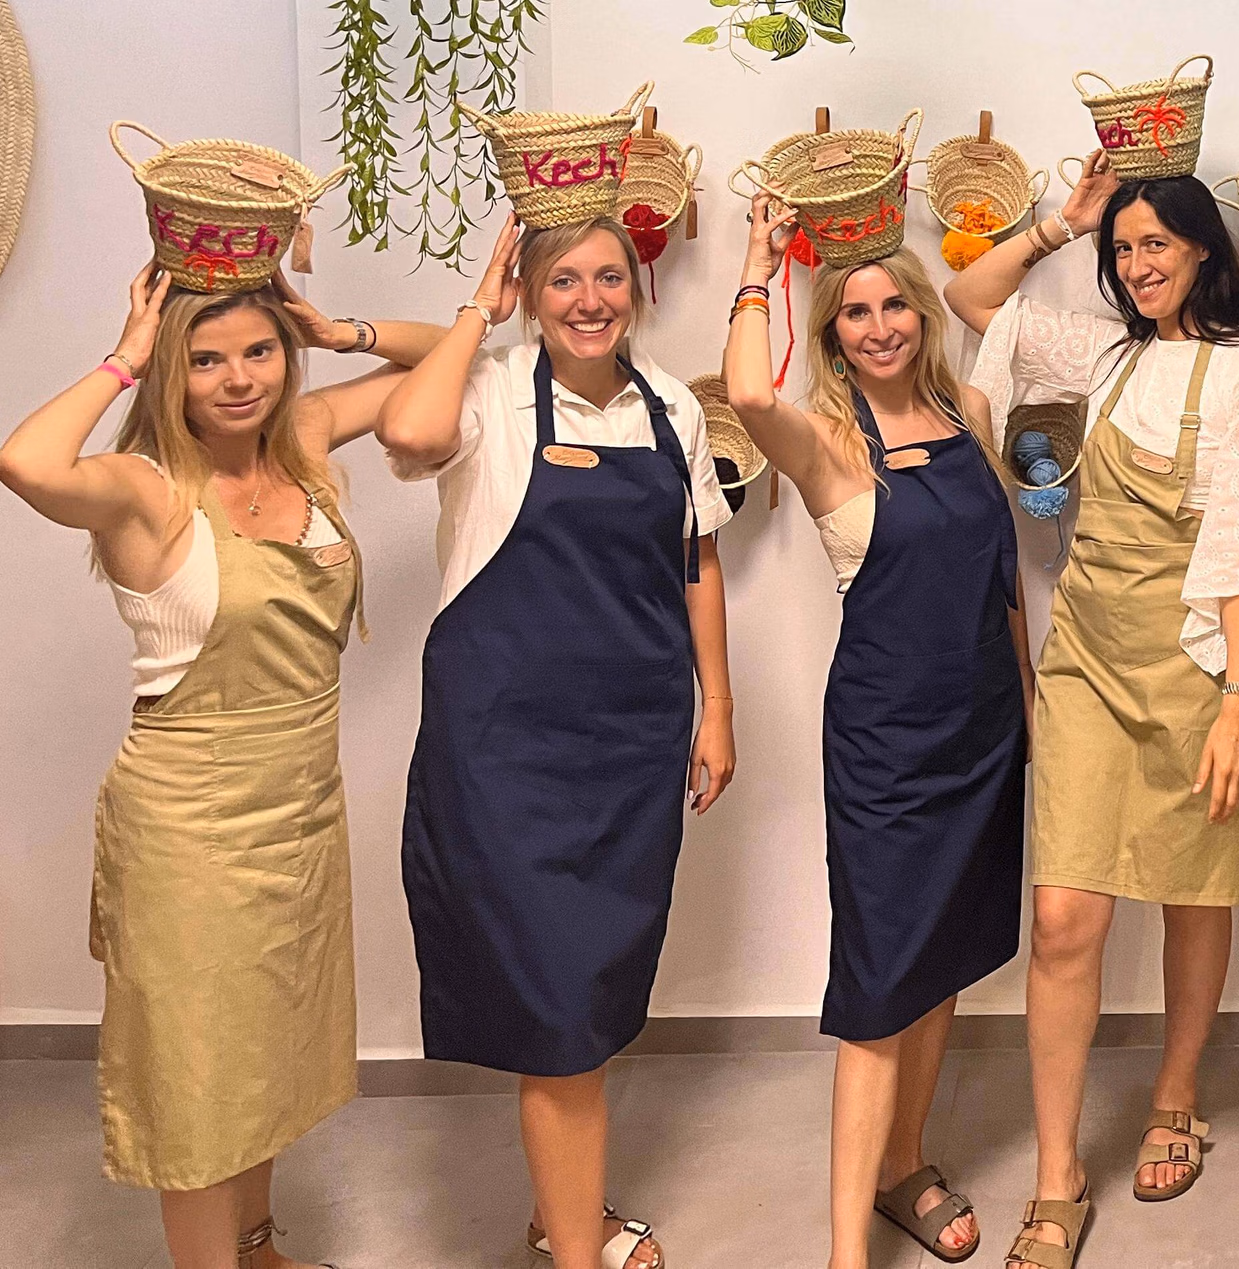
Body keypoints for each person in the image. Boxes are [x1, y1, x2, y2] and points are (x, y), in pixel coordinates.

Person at [0, 262, 441, 1268]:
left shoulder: (311, 445)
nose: (239, 378)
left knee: (265, 1063)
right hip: (188, 829)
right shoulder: (144, 489)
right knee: (200, 1086)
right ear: (172, 373)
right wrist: (123, 359)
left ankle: (256, 1249)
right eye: (205, 360)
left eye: (258, 351)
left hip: (299, 810)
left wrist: (339, 329)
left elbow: (456, 361)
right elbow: (23, 462)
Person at [946, 150, 1239, 1269]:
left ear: (1205, 248)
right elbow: (971, 297)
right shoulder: (1105, 356)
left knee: (1195, 895)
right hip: (1089, 663)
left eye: (1158, 243)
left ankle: (1176, 1097)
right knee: (1065, 920)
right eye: (1127, 248)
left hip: (1205, 666)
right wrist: (1065, 222)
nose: (1139, 263)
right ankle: (1059, 1177)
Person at [378, 214, 736, 1269]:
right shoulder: (489, 388)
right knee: (562, 1006)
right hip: (504, 754)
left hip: (629, 746)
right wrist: (472, 314)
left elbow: (696, 561)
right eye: (563, 281)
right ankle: (576, 1249)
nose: (590, 300)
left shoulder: (671, 407)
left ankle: (559, 1211)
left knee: (595, 993)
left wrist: (717, 705)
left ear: (640, 288)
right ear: (531, 295)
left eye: (608, 279)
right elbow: (406, 435)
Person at [723, 195, 1029, 1267]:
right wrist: (759, 263)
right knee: (875, 987)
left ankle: (906, 1165)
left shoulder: (973, 421)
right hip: (886, 747)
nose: (885, 323)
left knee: (940, 960)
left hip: (985, 733)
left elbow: (1005, 594)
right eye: (858, 312)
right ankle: (847, 1249)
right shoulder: (822, 442)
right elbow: (744, 390)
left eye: (898, 302)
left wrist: (1030, 716)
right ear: (832, 334)